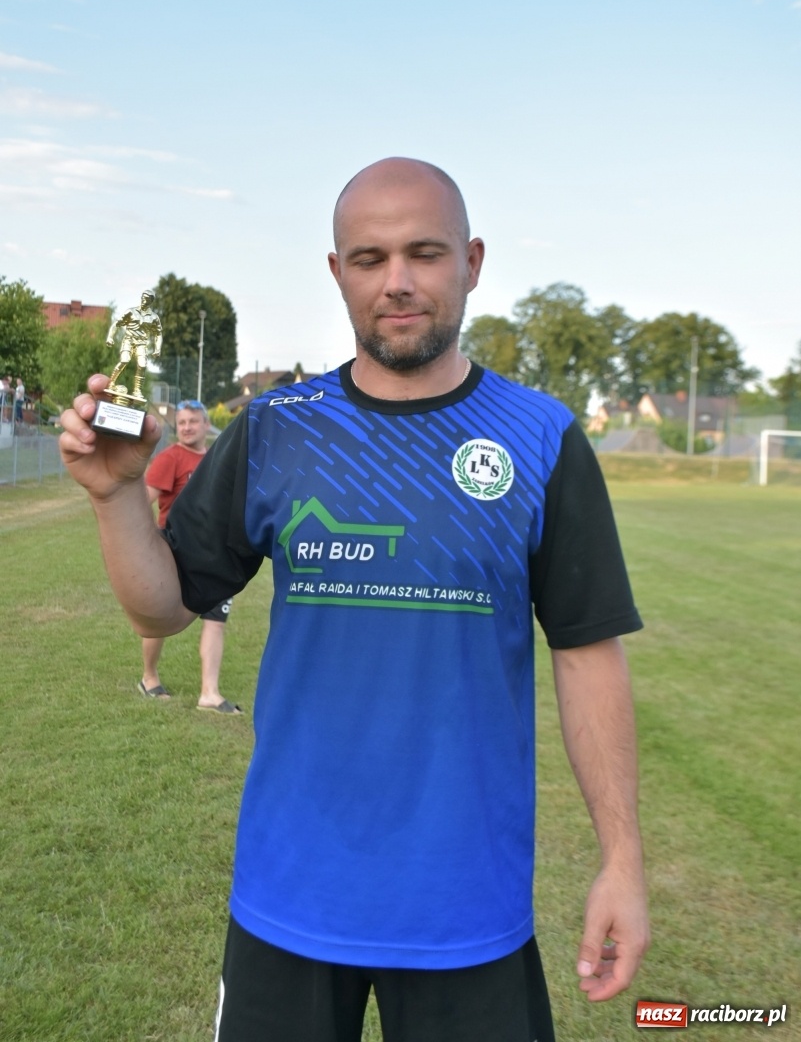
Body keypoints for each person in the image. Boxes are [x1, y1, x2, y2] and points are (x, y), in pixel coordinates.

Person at [59, 157, 649, 1042]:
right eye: (369, 259)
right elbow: (164, 609)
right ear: (337, 272)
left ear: (471, 262)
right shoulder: (276, 426)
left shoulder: (540, 437)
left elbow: (587, 651)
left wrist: (622, 860)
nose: (397, 281)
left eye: (424, 253)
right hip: (289, 893)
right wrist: (114, 498)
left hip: (467, 904)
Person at [138, 399, 241, 714]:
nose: (186, 427)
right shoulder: (170, 458)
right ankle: (149, 678)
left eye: (193, 421)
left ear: (206, 425)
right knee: (158, 620)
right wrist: (147, 544)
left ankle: (209, 693)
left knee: (215, 620)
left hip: (214, 554)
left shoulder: (217, 459)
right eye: (181, 422)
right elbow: (142, 502)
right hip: (173, 552)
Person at [106, 289, 162, 400]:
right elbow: (117, 324)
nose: (143, 300)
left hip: (141, 344)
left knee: (142, 365)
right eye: (143, 298)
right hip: (129, 340)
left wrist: (158, 348)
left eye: (146, 299)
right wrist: (110, 337)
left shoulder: (154, 317)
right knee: (124, 360)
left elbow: (158, 333)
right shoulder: (131, 312)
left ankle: (137, 390)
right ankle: (111, 382)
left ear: (151, 301)